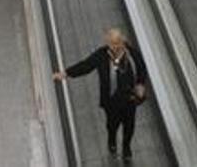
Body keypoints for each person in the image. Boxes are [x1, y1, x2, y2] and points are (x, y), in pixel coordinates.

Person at [53, 28, 147, 161]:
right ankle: (112, 141)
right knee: (112, 125)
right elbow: (86, 66)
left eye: (118, 42)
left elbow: (141, 68)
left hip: (129, 100)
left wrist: (141, 84)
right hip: (111, 102)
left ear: (123, 40)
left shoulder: (131, 54)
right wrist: (65, 73)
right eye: (112, 43)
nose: (116, 46)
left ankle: (126, 148)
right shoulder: (101, 56)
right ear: (107, 43)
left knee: (129, 126)